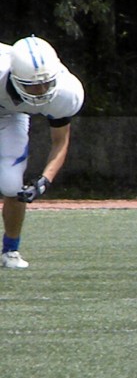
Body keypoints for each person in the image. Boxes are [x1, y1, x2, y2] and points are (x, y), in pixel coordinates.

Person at [0, 36, 84, 268]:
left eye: (45, 84)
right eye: (31, 85)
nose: (40, 91)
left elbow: (60, 141)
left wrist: (44, 181)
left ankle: (10, 251)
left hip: (10, 115)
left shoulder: (66, 92)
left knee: (11, 184)